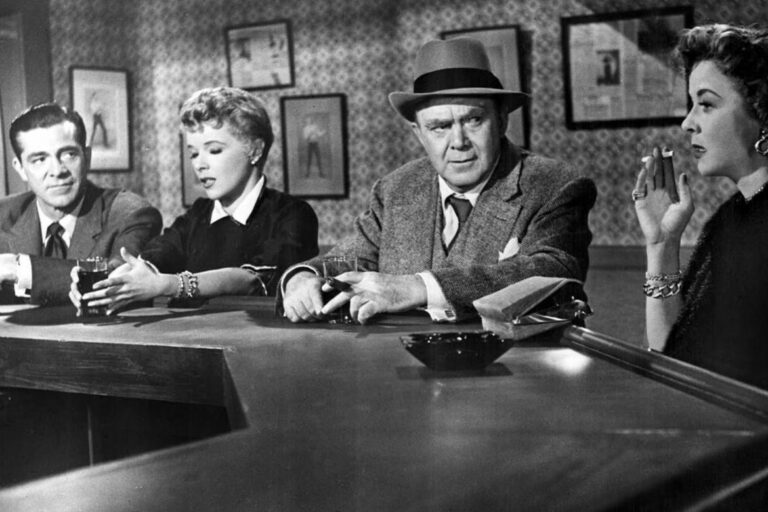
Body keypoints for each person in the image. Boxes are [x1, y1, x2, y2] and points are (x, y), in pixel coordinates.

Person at [281, 38, 596, 324]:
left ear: (501, 120)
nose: (458, 142)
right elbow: (349, 258)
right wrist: (304, 276)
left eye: (473, 120)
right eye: (440, 127)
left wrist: (419, 288)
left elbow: (554, 271)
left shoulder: (553, 184)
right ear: (419, 133)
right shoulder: (395, 189)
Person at [73, 87, 319, 314]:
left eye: (214, 150)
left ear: (254, 150)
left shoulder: (292, 213)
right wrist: (115, 281)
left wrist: (170, 284)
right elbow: (158, 255)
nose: (200, 165)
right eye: (193, 153)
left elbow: (252, 279)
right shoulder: (199, 213)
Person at [633, 24, 768, 389]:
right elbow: (672, 356)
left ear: (761, 111)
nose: (687, 123)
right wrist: (662, 246)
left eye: (706, 104)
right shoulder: (729, 219)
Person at [0, 103, 162, 306]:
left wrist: (20, 269)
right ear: (20, 168)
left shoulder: (130, 213)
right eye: (39, 159)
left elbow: (117, 279)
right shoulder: (3, 215)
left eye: (69, 154)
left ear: (87, 157)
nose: (57, 171)